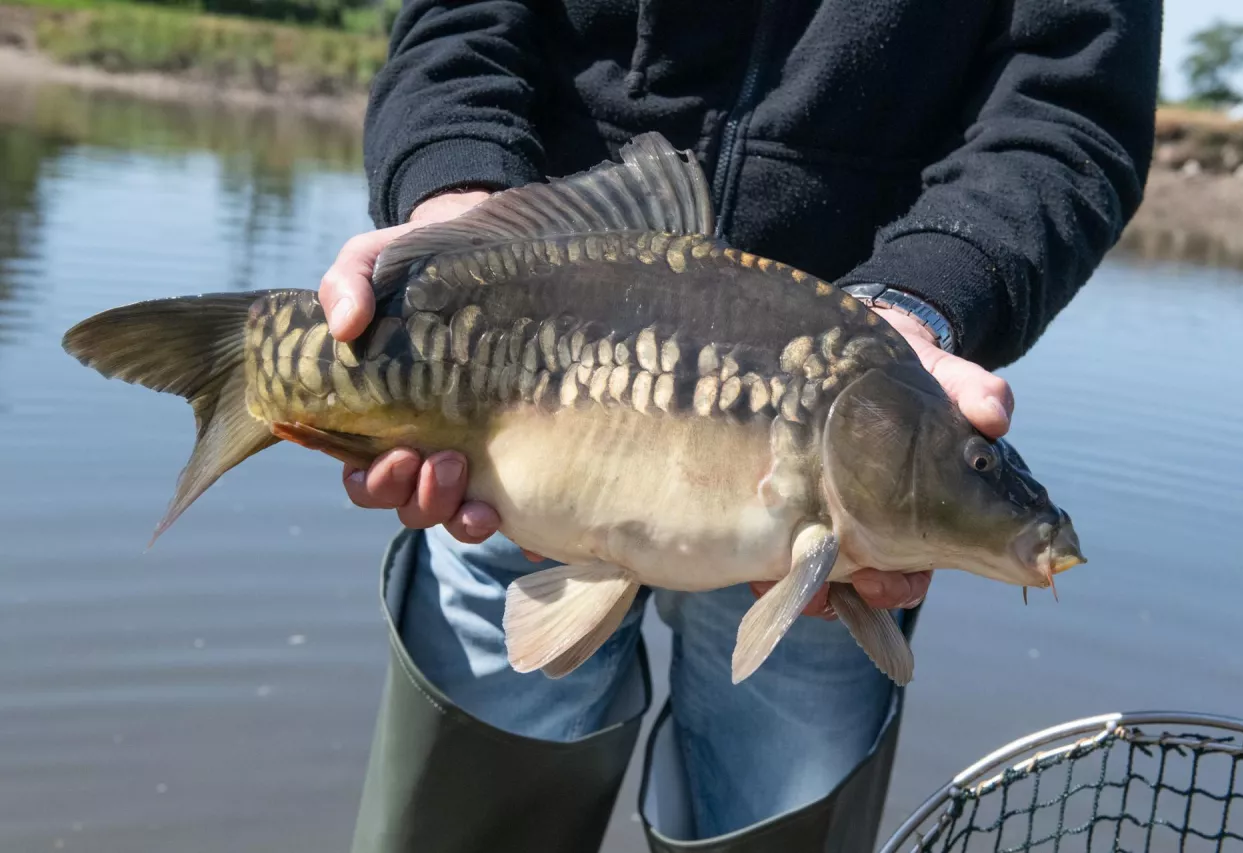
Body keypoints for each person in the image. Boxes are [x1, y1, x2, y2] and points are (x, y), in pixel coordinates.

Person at [319, 2, 1160, 850]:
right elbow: (461, 18)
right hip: (530, 350)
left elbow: (1069, 106)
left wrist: (924, 297)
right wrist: (460, 209)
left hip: (852, 387)